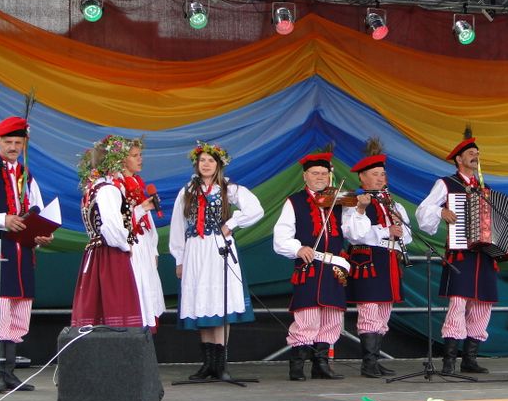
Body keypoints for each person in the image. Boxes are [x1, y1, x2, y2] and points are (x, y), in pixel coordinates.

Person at [416, 130, 508, 374]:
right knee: (458, 303)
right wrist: (440, 212)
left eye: (477, 153)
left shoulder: (485, 189)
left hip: (484, 255)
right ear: (459, 159)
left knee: (482, 305)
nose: (476, 156)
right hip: (461, 254)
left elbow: (500, 225)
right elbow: (423, 211)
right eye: (471, 153)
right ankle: (449, 360)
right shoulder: (446, 184)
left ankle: (470, 358)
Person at [169, 142, 264, 381]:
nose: (206, 164)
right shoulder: (187, 191)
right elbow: (178, 225)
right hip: (195, 251)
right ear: (196, 164)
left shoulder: (228, 188)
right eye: (202, 160)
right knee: (202, 302)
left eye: (211, 160)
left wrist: (231, 224)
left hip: (218, 248)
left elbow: (255, 209)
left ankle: (221, 364)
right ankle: (208, 364)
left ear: (219, 164)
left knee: (219, 302)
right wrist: (179, 259)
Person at [273, 150, 370, 381]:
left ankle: (321, 365)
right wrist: (298, 248)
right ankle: (297, 366)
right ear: (305, 176)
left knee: (332, 317)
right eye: (315, 173)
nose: (320, 177)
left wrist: (360, 209)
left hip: (334, 267)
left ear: (330, 176)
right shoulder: (295, 201)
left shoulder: (340, 200)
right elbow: (281, 236)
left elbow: (356, 234)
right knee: (307, 316)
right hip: (310, 265)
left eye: (324, 174)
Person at [0, 116, 54, 392]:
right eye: (8, 142)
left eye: (18, 143)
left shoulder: (26, 175)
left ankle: (9, 373)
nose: (13, 147)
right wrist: (3, 219)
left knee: (17, 311)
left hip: (22, 253)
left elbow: (38, 210)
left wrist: (42, 232)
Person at [343, 139, 412, 378]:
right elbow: (354, 234)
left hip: (389, 259)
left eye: (382, 174)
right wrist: (384, 230)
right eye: (375, 174)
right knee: (370, 310)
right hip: (368, 259)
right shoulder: (354, 201)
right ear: (362, 177)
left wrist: (400, 230)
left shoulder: (394, 204)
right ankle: (368, 363)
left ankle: (375, 360)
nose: (381, 178)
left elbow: (408, 236)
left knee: (384, 311)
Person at [71, 135, 144, 329]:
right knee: (115, 303)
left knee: (96, 305)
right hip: (109, 255)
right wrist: (125, 245)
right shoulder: (108, 190)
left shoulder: (92, 189)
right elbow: (111, 227)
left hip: (95, 253)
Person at [120, 139, 165, 331]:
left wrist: (154, 248)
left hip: (144, 242)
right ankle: (136, 330)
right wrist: (142, 209)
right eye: (134, 156)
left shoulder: (137, 181)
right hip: (131, 243)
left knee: (148, 286)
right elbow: (119, 219)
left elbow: (147, 220)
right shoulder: (118, 184)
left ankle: (146, 332)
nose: (140, 159)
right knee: (137, 287)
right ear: (122, 160)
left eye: (140, 155)